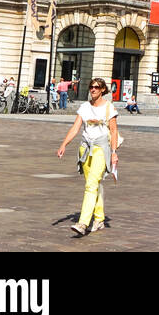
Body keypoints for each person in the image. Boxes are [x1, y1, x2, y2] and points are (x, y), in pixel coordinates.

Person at [56, 77, 119, 236]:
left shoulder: (108, 108)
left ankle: (83, 223)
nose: (93, 89)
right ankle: (99, 219)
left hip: (100, 148)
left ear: (103, 89)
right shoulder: (84, 107)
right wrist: (64, 145)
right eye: (91, 87)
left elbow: (113, 131)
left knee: (91, 184)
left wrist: (113, 153)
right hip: (85, 148)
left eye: (97, 87)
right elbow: (75, 128)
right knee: (92, 184)